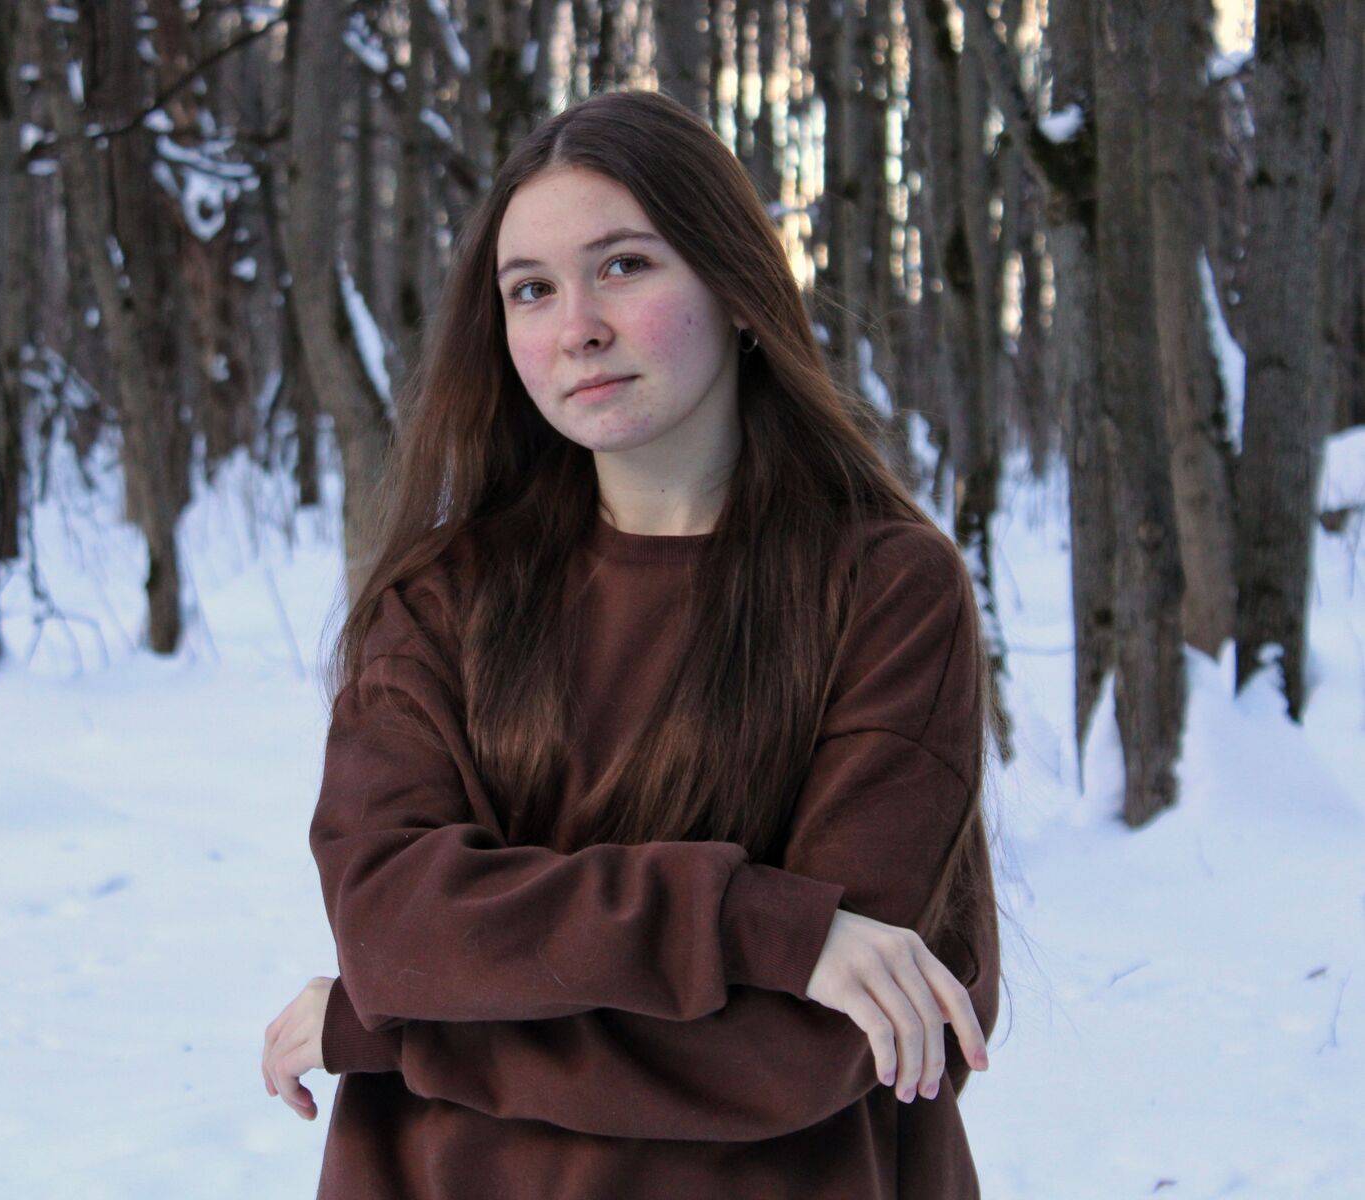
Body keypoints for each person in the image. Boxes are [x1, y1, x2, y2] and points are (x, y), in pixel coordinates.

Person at [261, 86, 1006, 1199]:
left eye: (623, 266)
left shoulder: (884, 589)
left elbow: (806, 1047)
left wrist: (404, 1033)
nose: (579, 327)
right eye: (532, 289)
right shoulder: (441, 596)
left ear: (737, 288)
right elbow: (391, 928)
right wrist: (755, 922)